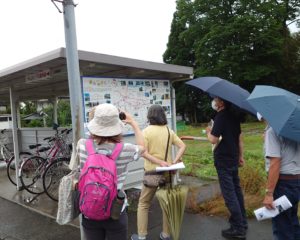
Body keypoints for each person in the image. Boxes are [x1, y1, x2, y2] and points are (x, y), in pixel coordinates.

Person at [77, 103, 145, 240]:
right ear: (117, 126)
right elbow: (143, 148)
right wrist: (133, 123)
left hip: (89, 210)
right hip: (115, 211)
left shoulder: (82, 145)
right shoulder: (126, 149)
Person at [131, 104, 186, 240]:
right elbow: (182, 146)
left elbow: (143, 153)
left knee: (144, 203)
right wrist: (174, 161)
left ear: (150, 116)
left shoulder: (146, 132)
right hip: (167, 173)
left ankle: (142, 236)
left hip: (152, 173)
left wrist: (157, 161)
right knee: (166, 203)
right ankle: (166, 234)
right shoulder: (168, 131)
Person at [205, 97, 247, 240]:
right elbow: (239, 139)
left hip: (223, 160)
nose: (214, 102)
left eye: (215, 99)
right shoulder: (234, 116)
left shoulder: (220, 117)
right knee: (236, 191)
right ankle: (242, 222)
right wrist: (241, 156)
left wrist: (208, 132)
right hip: (233, 157)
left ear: (221, 102)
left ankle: (239, 228)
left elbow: (213, 139)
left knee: (230, 195)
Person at [262, 119, 300, 240]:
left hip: (283, 183)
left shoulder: (273, 130)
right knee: (293, 222)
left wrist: (269, 193)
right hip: (297, 180)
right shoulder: (295, 127)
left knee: (282, 227)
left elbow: (275, 163)